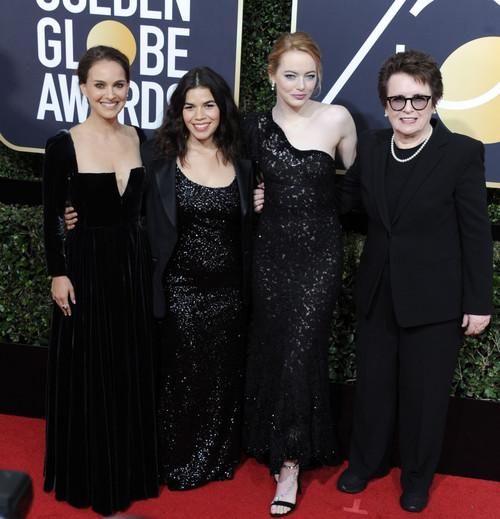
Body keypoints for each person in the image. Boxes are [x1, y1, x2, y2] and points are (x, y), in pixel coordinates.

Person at [334, 50, 493, 513]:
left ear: (435, 101)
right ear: (385, 104)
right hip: (378, 291)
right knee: (374, 387)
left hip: (436, 299)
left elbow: (475, 233)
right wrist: (280, 195)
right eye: (397, 100)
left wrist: (478, 301)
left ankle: (418, 478)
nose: (407, 109)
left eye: (418, 99)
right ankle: (366, 464)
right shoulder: (372, 145)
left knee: (424, 398)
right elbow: (341, 202)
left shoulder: (462, 153)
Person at [241, 31, 357, 517]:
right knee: (273, 344)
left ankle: (289, 463)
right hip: (269, 252)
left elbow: (359, 183)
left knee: (302, 346)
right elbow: (231, 181)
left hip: (320, 253)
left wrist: (324, 206)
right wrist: (253, 199)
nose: (300, 84)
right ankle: (270, 441)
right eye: (290, 75)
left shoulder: (337, 118)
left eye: (310, 76)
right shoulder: (252, 127)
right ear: (271, 75)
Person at [42, 46, 158, 515]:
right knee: (90, 369)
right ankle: (93, 478)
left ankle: (128, 471)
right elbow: (52, 216)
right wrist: (58, 272)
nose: (110, 94)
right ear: (83, 88)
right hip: (85, 269)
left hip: (131, 267)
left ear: (129, 87)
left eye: (118, 84)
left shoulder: (141, 138)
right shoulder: (62, 144)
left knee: (127, 367)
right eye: (99, 85)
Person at [142, 66, 254, 490]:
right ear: (179, 112)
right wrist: (72, 216)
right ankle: (176, 458)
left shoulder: (242, 160)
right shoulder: (158, 157)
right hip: (179, 290)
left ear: (222, 108)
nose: (200, 114)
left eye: (208, 104)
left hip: (229, 292)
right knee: (181, 376)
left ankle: (218, 456)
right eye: (190, 106)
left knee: (223, 376)